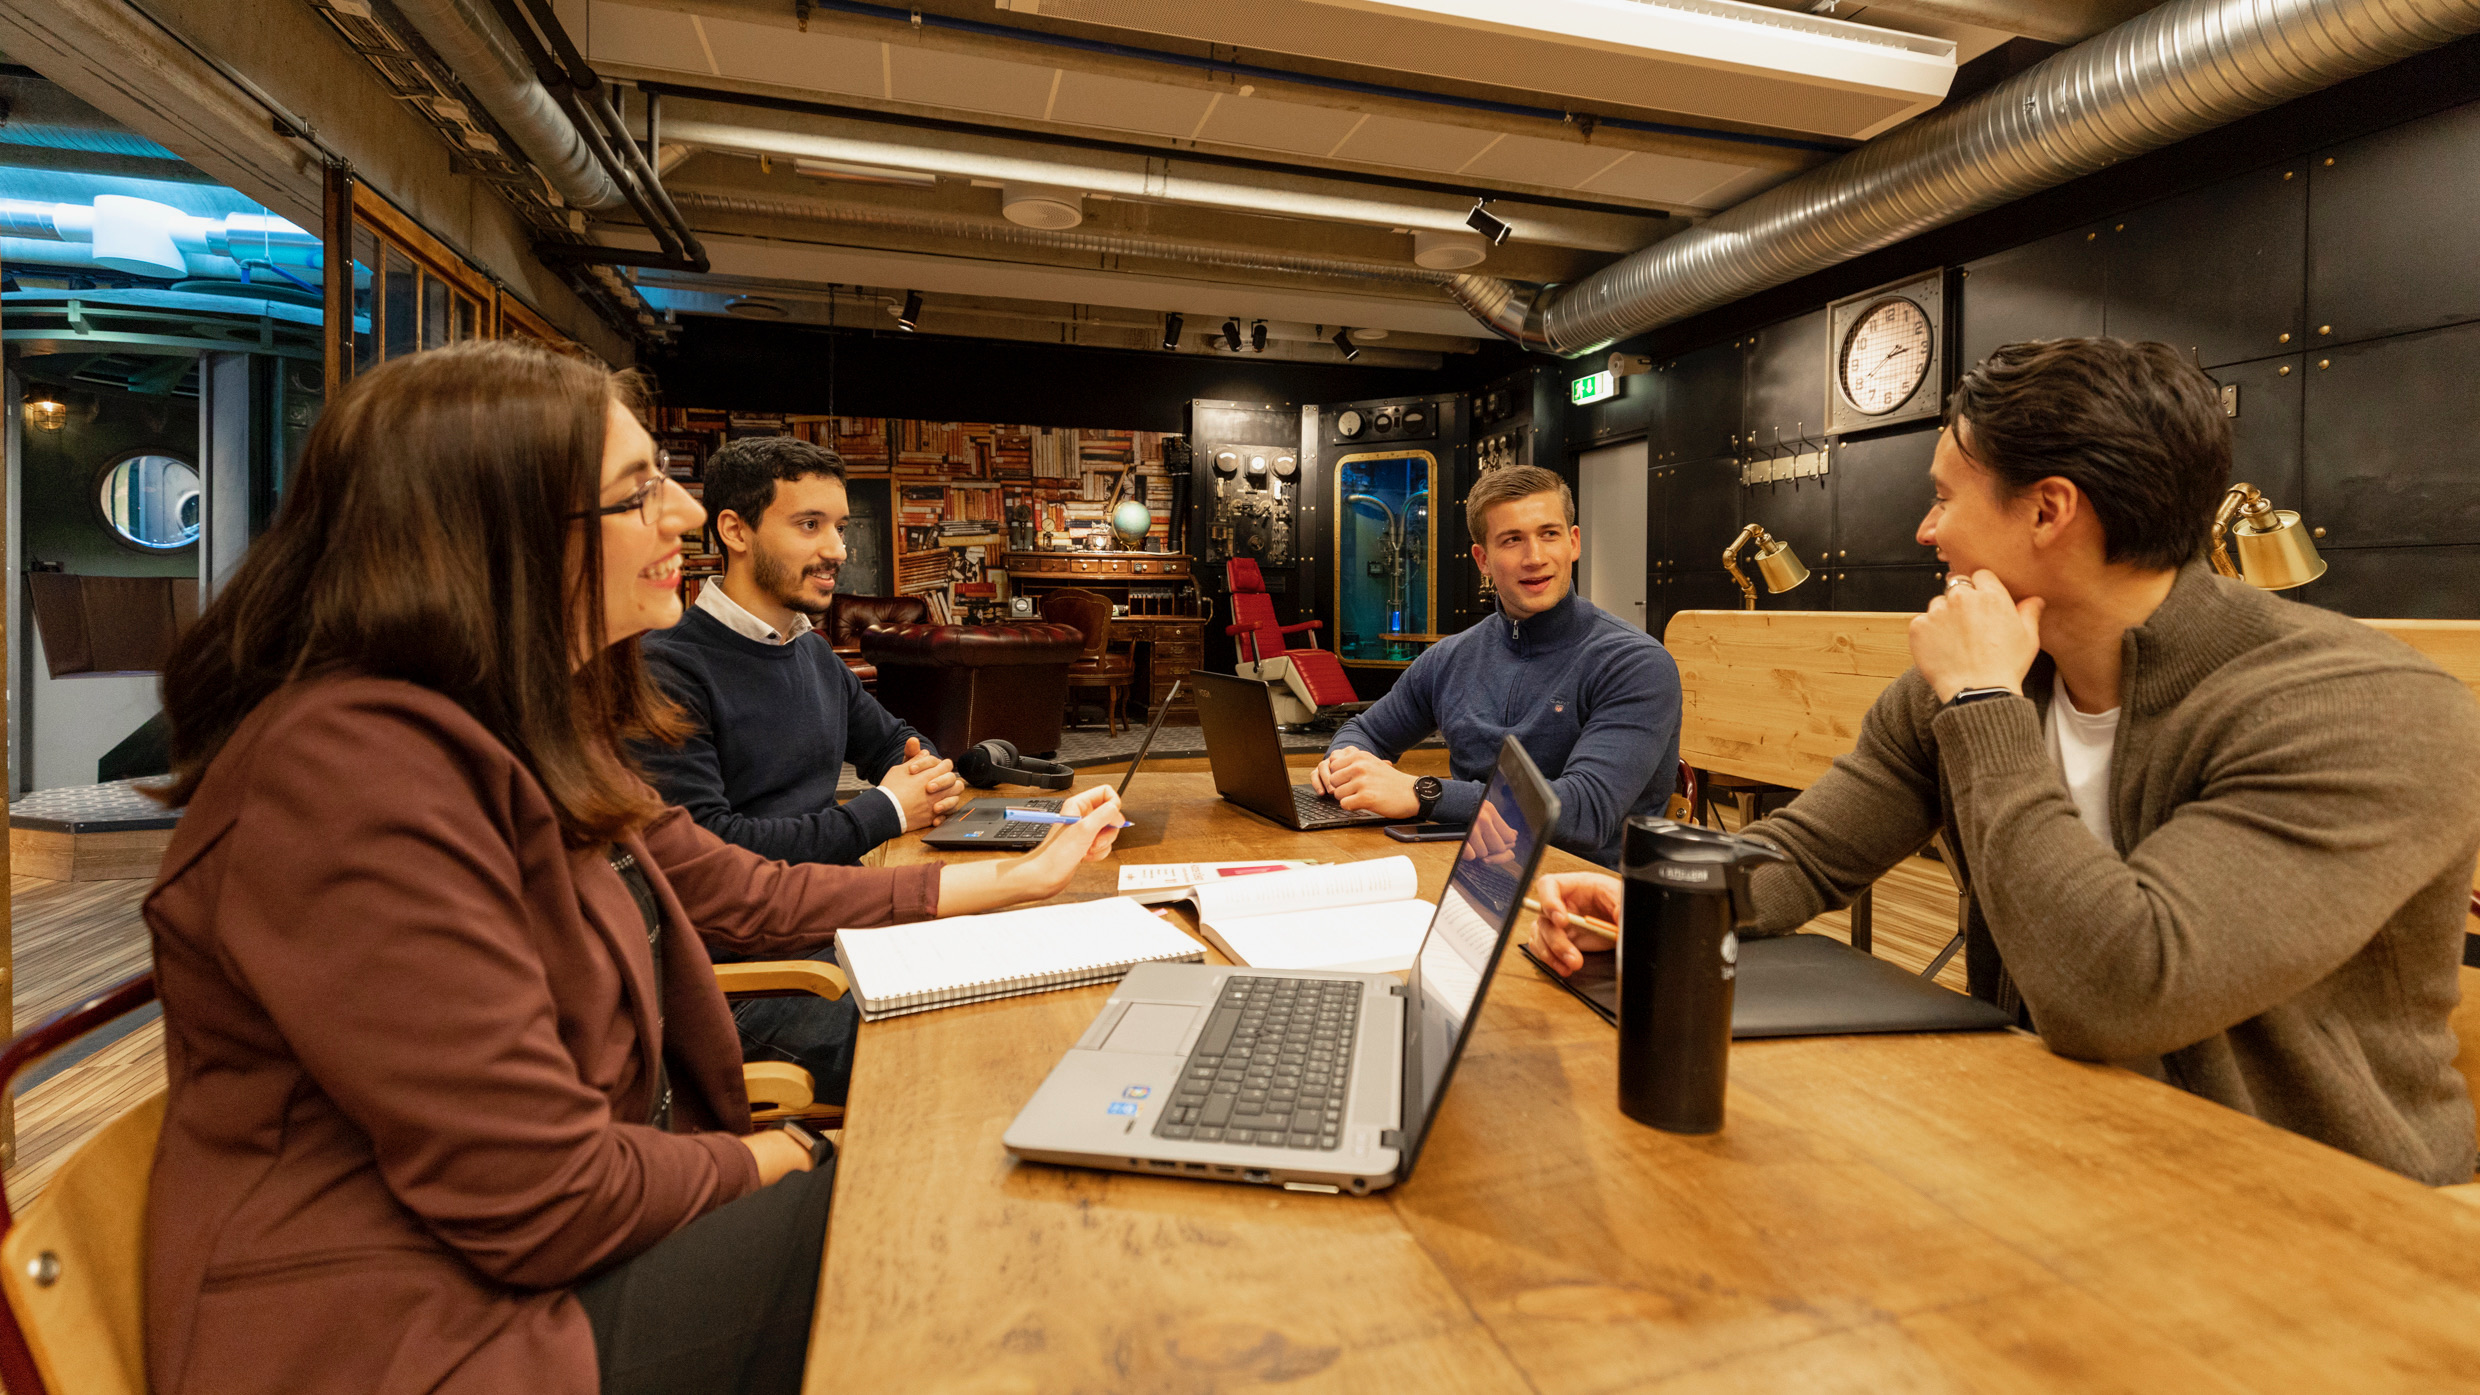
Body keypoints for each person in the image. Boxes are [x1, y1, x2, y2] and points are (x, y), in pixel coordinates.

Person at [142, 340, 1123, 1395]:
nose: (688, 517)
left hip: (536, 1259)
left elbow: (737, 892)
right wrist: (788, 1155)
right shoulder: (346, 775)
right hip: (429, 1334)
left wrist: (1021, 879)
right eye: (635, 492)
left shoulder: (524, 725)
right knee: (965, 1218)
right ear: (496, 535)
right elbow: (544, 1198)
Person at [1532, 337, 2480, 1186]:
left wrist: (1984, 705)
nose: (1924, 530)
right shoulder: (1971, 677)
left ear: (2049, 510)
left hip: (2324, 1219)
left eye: (1944, 497)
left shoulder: (2363, 710)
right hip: (2060, 1151)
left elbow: (2118, 991)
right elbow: (1808, 856)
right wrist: (1662, 901)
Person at [636, 435, 956, 1106]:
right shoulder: (667, 668)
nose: (839, 549)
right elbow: (716, 854)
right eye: (810, 525)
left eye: (838, 527)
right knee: (951, 1056)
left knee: (1003, 981)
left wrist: (925, 772)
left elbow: (897, 743)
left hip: (834, 931)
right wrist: (887, 810)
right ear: (736, 530)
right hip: (749, 980)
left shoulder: (812, 655)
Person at [1312, 464, 1681, 868]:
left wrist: (1423, 792)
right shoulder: (1450, 657)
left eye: (1549, 534)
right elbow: (1364, 731)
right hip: (1464, 871)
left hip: (1585, 896)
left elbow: (1584, 812)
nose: (1535, 557)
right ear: (1482, 559)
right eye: (1512, 540)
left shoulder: (1635, 664)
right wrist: (1345, 768)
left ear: (1573, 543)